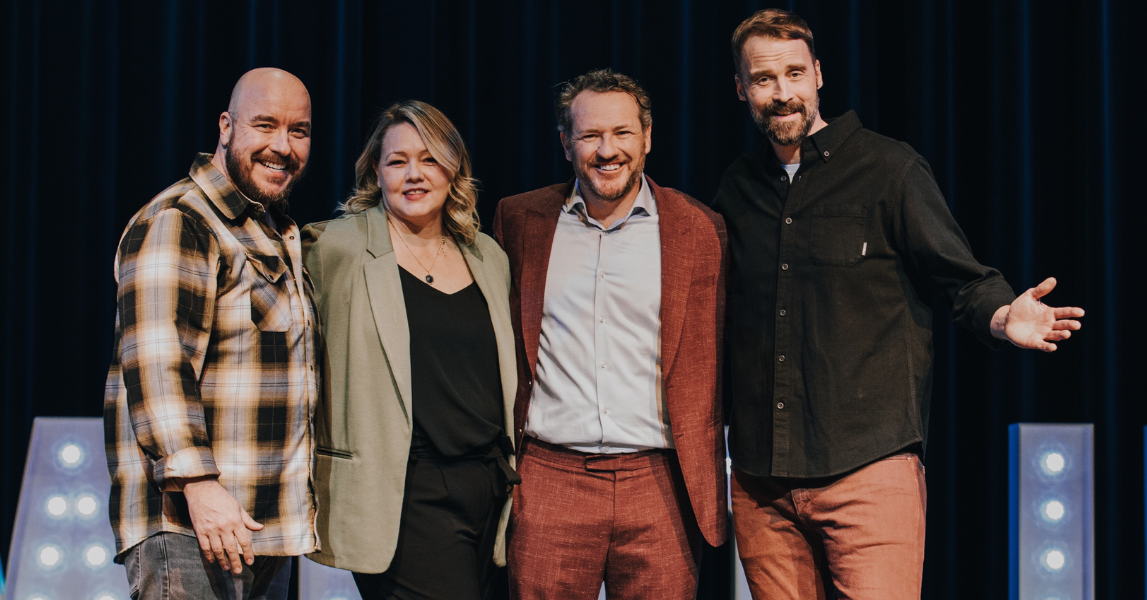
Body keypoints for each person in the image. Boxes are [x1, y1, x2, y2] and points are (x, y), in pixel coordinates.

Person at [711, 10, 1088, 600]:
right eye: (763, 79)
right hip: (762, 483)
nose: (782, 93)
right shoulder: (735, 188)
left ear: (818, 75)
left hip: (868, 473)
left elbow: (961, 279)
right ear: (741, 88)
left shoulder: (890, 169)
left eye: (794, 73)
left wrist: (1000, 314)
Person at [495, 68, 730, 600]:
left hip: (661, 482)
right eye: (590, 135)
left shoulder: (700, 228)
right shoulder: (520, 221)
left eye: (622, 133)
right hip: (550, 477)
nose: (608, 150)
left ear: (647, 138)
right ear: (565, 142)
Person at [104, 67, 318, 599]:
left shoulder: (270, 229)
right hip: (191, 524)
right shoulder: (182, 220)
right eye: (264, 125)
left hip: (261, 527)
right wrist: (199, 487)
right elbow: (158, 365)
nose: (282, 146)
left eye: (299, 131)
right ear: (226, 126)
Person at [302, 100, 520, 600]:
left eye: (429, 159)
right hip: (405, 494)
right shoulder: (335, 248)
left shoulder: (486, 255)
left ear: (453, 169)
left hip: (490, 491)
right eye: (397, 161)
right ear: (375, 173)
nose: (414, 174)